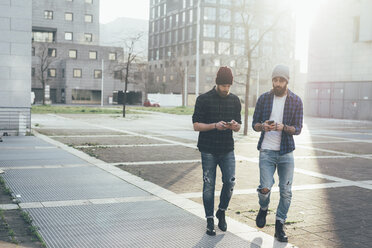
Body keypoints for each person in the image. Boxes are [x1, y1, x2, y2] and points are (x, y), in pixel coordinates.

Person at [252, 64, 303, 242]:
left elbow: (298, 129)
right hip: (266, 151)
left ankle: (279, 225)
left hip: (286, 152)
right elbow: (254, 124)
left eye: (281, 80)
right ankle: (263, 208)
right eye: (275, 80)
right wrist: (263, 126)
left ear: (287, 81)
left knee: (286, 191)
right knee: (265, 188)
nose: (278, 83)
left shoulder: (296, 101)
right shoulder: (264, 99)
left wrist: (285, 127)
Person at [192, 66, 241, 236]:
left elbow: (239, 126)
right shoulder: (203, 99)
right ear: (217, 83)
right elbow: (196, 125)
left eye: (228, 86)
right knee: (209, 185)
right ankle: (210, 220)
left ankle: (221, 211)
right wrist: (214, 125)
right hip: (208, 150)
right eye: (223, 85)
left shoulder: (235, 100)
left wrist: (235, 126)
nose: (226, 89)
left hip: (227, 149)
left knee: (230, 182)